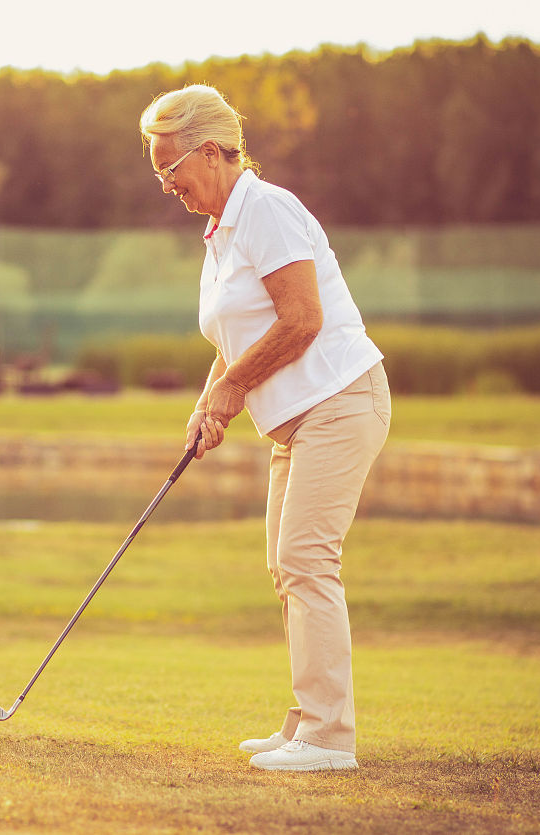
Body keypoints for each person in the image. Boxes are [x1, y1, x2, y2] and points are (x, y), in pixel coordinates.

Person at [140, 85, 391, 771]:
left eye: (172, 168)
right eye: (158, 171)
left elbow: (302, 318)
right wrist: (208, 401)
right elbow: (236, 338)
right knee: (288, 566)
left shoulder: (268, 210)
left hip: (341, 398)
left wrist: (232, 390)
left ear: (215, 152)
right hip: (294, 418)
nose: (166, 185)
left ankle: (329, 737)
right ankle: (306, 722)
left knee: (308, 560)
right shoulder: (220, 234)